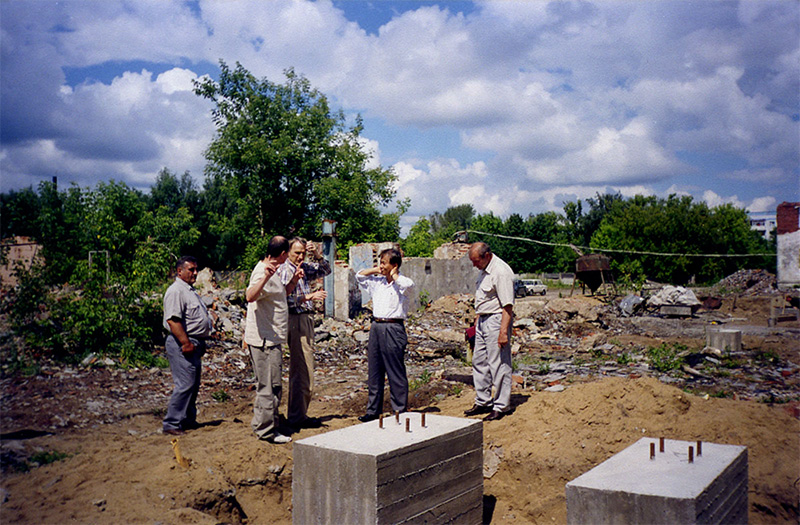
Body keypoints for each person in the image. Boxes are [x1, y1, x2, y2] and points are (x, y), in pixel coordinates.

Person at [355, 248, 415, 422]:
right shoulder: (377, 282)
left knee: (395, 371)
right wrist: (376, 270)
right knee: (374, 371)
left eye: (384, 263)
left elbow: (408, 286)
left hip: (393, 327)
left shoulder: (402, 283)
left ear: (394, 265)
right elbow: (359, 276)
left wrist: (394, 275)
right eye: (380, 262)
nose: (381, 266)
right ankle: (373, 411)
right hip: (376, 326)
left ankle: (400, 410)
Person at [244, 236, 292, 444]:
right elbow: (250, 295)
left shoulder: (271, 270)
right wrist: (264, 278)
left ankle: (264, 424)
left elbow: (278, 296)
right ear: (283, 254)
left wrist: (295, 281)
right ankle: (266, 431)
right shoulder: (262, 271)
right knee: (269, 386)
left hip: (271, 339)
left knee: (272, 385)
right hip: (264, 341)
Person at [279, 237, 331, 430]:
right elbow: (285, 298)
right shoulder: (285, 270)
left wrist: (316, 254)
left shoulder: (302, 266)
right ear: (287, 252)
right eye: (297, 253)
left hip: (305, 319)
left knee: (303, 370)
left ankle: (298, 414)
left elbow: (326, 270)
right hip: (296, 319)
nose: (301, 256)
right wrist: (308, 297)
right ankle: (297, 417)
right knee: (302, 370)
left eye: (303, 253)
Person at [162, 256, 213, 436]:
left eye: (195, 269)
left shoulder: (189, 290)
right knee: (185, 384)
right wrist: (186, 342)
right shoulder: (176, 291)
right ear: (179, 271)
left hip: (193, 342)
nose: (195, 273)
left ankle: (187, 420)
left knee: (193, 383)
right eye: (191, 269)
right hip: (182, 342)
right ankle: (171, 423)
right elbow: (173, 320)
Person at [465, 242, 515, 421]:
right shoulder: (483, 269)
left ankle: (501, 406)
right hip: (483, 319)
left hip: (496, 320)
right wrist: (477, 320)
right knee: (479, 361)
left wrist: (503, 332)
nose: (474, 265)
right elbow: (484, 299)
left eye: (476, 261)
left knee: (498, 363)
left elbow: (507, 306)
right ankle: (483, 401)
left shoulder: (500, 271)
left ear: (487, 256)